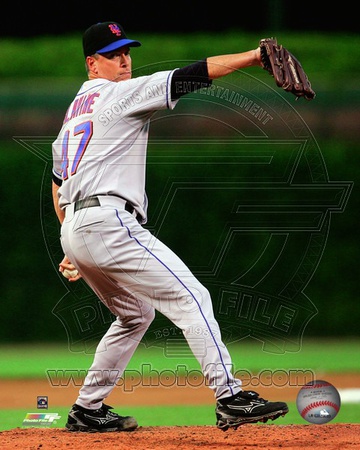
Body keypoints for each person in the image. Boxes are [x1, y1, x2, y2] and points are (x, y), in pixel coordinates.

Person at [52, 21, 289, 433]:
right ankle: (229, 396)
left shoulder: (72, 114)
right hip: (108, 221)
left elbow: (58, 184)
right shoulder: (120, 93)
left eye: (126, 51)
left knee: (134, 314)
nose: (124, 59)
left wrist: (70, 247)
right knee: (191, 297)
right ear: (92, 64)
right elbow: (192, 74)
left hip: (76, 223)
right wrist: (255, 57)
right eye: (113, 54)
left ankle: (87, 409)